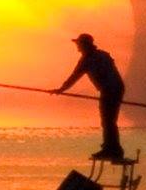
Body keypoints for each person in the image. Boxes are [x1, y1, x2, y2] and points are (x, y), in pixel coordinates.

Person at [53, 33, 126, 161]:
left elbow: (74, 77)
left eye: (79, 44)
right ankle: (112, 148)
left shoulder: (87, 59)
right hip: (116, 88)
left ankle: (112, 149)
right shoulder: (102, 55)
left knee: (108, 120)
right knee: (109, 120)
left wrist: (61, 90)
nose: (77, 47)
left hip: (110, 90)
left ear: (84, 45)